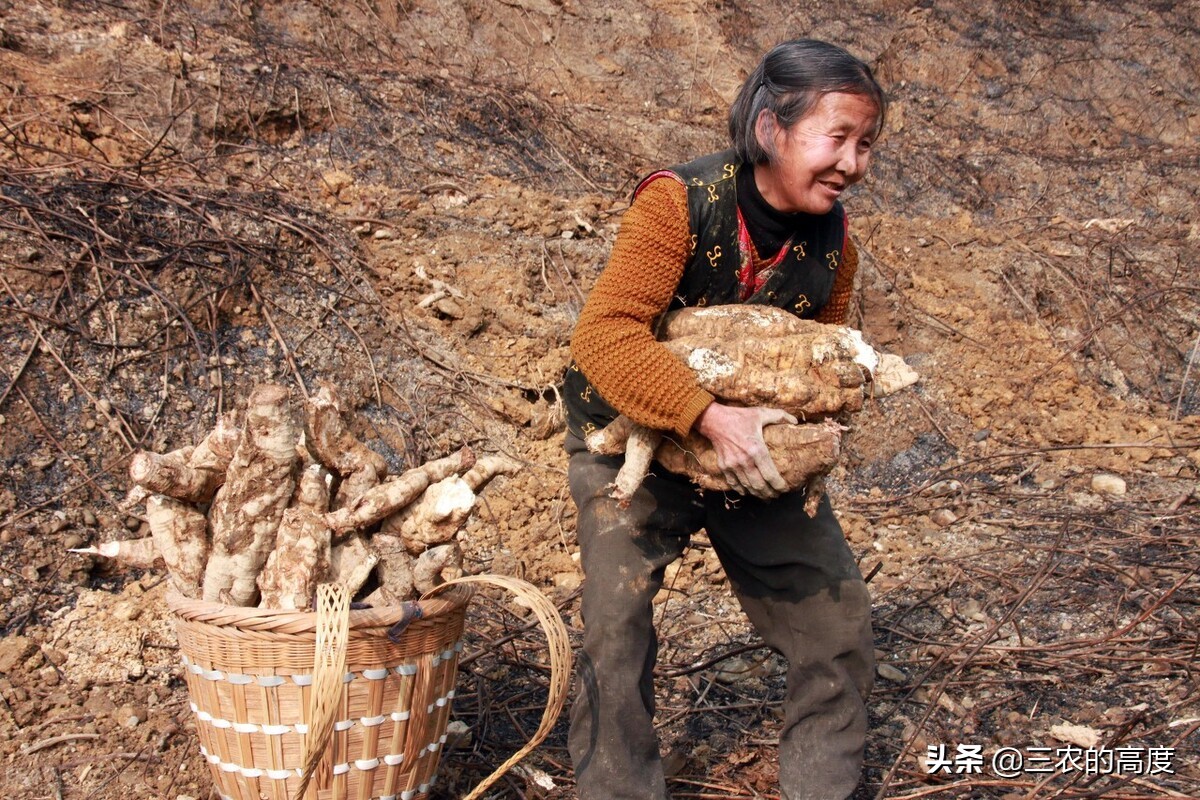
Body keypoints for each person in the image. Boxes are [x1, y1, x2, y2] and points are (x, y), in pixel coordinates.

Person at [560, 39, 886, 800]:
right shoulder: (680, 201)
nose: (852, 162)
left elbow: (822, 363)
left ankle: (822, 787)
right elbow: (603, 335)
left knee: (837, 624)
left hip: (750, 453)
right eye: (835, 137)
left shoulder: (834, 247)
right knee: (616, 624)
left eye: (866, 144)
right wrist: (706, 416)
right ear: (772, 128)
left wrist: (820, 430)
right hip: (631, 437)